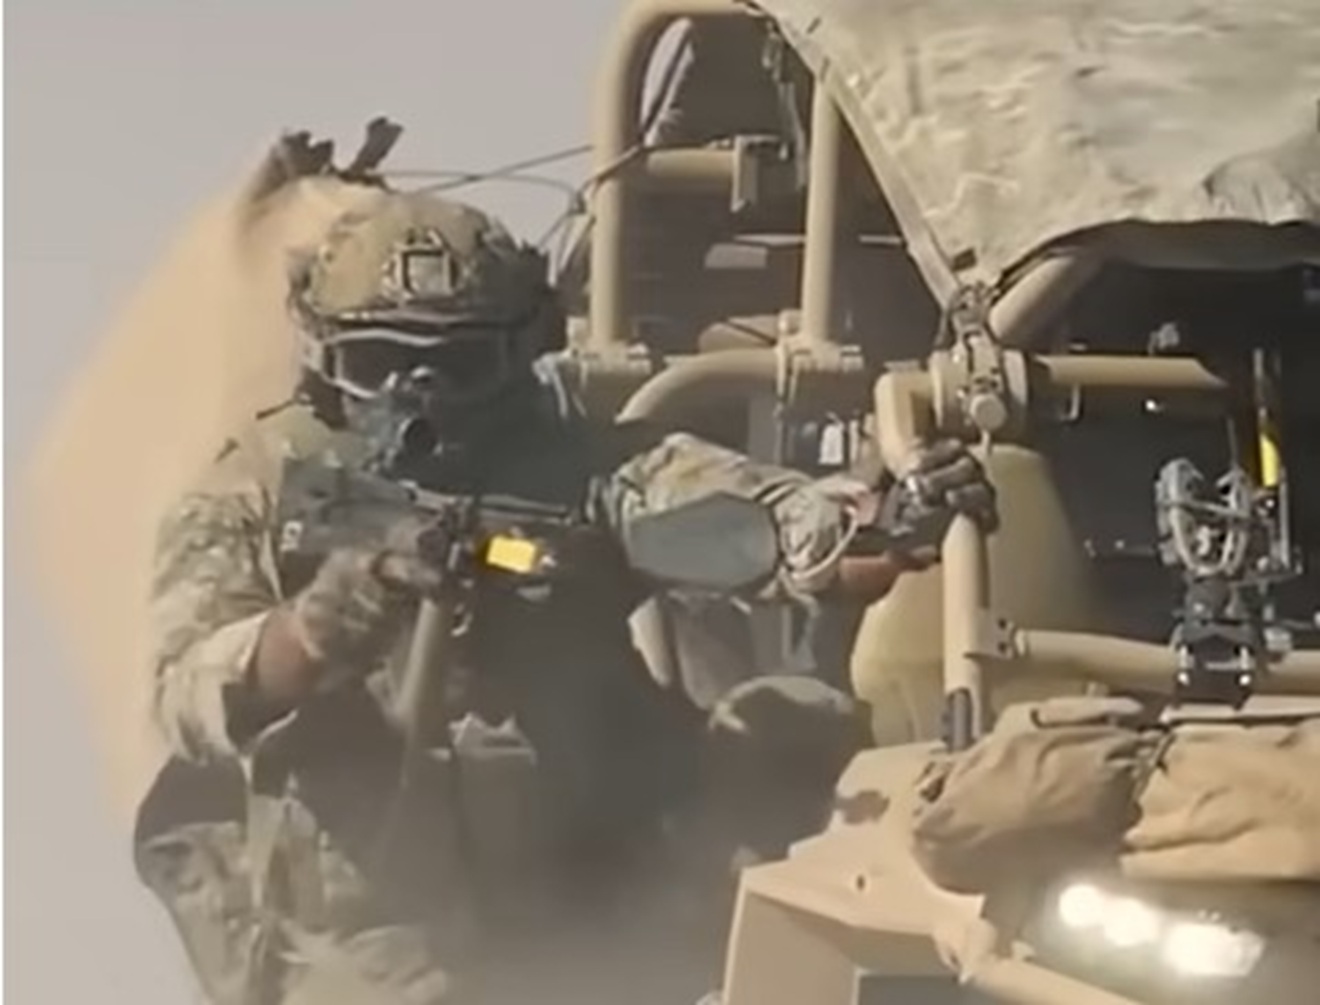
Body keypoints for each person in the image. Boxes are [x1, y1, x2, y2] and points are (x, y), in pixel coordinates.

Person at [133, 187, 996, 1005]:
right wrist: (320, 624)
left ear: (518, 355)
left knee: (790, 732)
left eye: (458, 364)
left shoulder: (590, 470)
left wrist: (878, 521)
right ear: (325, 359)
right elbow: (187, 694)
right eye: (379, 363)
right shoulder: (254, 489)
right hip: (371, 921)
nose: (417, 395)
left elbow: (757, 523)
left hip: (598, 886)